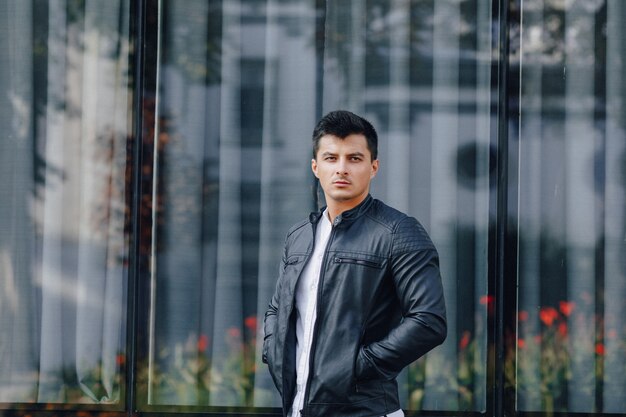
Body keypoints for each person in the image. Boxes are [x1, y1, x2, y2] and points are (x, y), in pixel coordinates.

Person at [262, 110, 447, 417]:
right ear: (315, 167)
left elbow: (428, 321)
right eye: (331, 158)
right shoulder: (298, 237)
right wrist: (273, 350)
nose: (342, 169)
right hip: (297, 409)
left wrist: (355, 366)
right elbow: (277, 309)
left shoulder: (399, 232)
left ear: (373, 167)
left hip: (366, 410)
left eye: (355, 158)